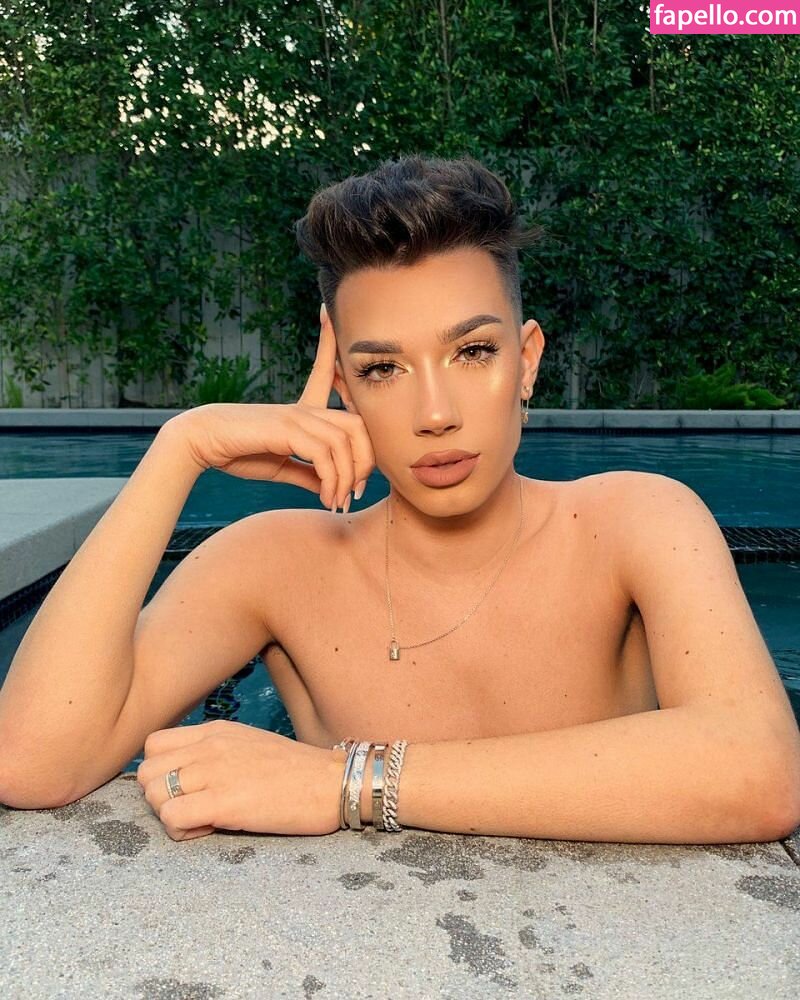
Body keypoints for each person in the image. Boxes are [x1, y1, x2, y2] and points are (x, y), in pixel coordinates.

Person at [1, 154, 798, 846]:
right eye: (383, 369)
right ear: (343, 387)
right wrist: (180, 449)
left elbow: (759, 770)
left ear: (526, 361)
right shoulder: (272, 565)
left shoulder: (636, 522)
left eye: (473, 351)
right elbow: (31, 762)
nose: (435, 414)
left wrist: (345, 782)